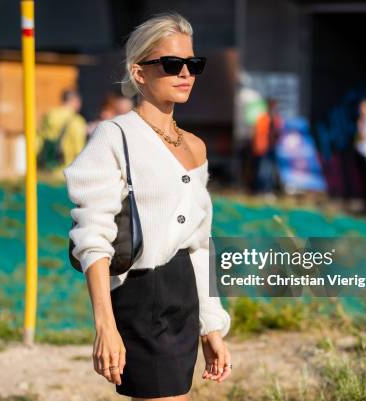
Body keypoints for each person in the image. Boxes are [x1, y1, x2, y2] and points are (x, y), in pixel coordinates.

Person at [63, 12, 232, 400]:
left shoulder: (196, 146)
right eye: (172, 64)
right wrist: (105, 324)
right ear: (139, 73)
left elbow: (200, 245)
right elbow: (92, 237)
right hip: (140, 296)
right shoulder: (115, 136)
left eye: (194, 64)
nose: (185, 73)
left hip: (184, 296)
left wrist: (211, 327)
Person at [36, 89, 87, 183]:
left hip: (45, 171)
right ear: (75, 101)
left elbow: (38, 142)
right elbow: (80, 151)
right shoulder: (77, 122)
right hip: (66, 174)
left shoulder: (49, 115)